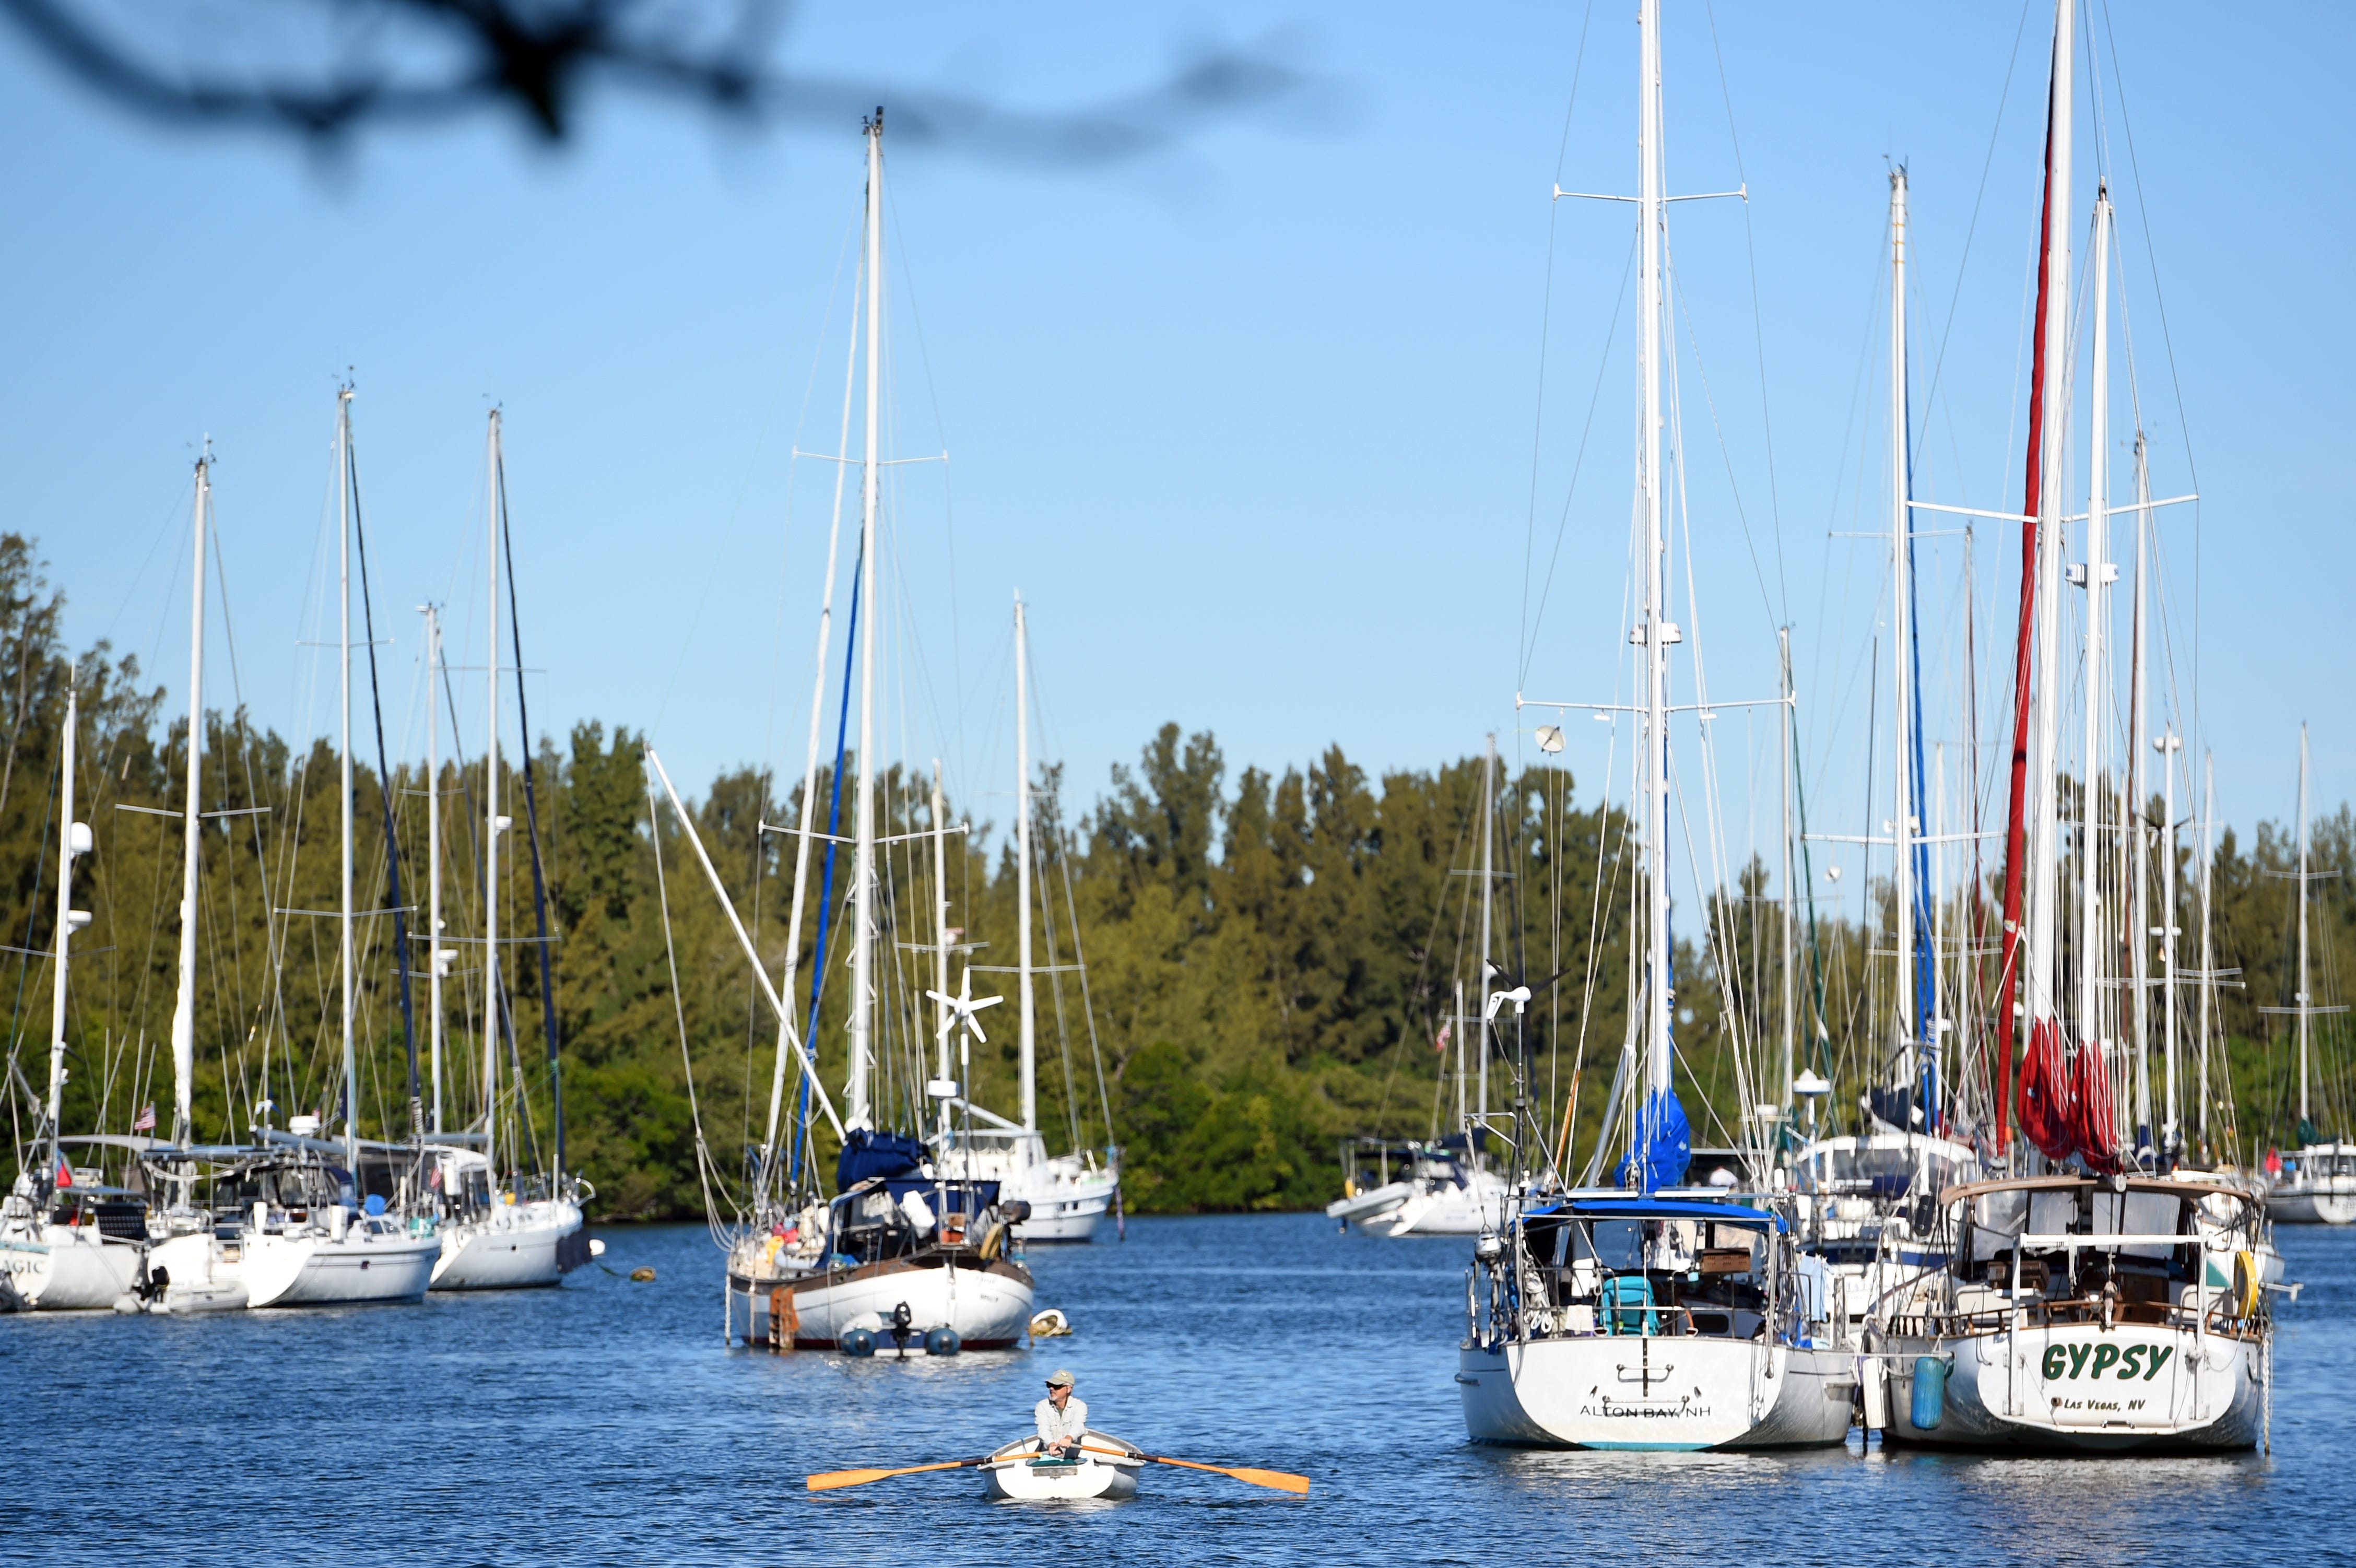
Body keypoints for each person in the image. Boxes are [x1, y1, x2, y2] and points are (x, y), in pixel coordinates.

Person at [1034, 1368, 1088, 1459]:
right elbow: (1043, 1430)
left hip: (1071, 1458)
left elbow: (1078, 1427)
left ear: (1069, 1389)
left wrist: (1069, 1438)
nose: (1051, 1388)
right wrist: (1051, 1444)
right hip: (1047, 1456)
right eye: (1050, 1385)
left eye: (1057, 1386)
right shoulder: (1042, 1406)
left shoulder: (1080, 1406)